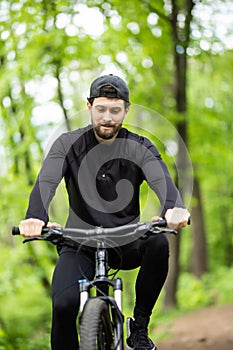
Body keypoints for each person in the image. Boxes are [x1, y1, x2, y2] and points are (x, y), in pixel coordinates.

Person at [19, 74, 190, 350]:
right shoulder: (66, 144)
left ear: (126, 109)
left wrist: (174, 208)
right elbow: (46, 181)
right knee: (63, 306)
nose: (107, 118)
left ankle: (139, 329)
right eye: (101, 109)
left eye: (115, 110)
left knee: (158, 241)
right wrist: (36, 215)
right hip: (79, 243)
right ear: (89, 107)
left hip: (127, 239)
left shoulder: (141, 146)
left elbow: (161, 180)